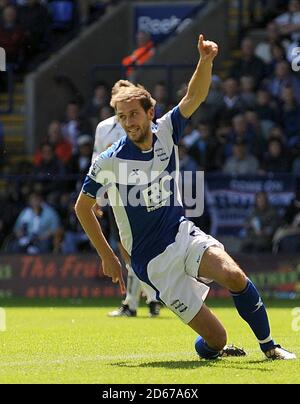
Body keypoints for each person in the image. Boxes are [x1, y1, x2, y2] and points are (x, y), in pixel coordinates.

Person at [75, 34, 296, 360]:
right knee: (216, 340)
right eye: (121, 118)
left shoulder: (166, 130)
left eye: (133, 115)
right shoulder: (109, 160)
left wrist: (205, 61)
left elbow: (195, 95)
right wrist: (108, 256)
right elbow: (82, 207)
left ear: (150, 112)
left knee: (234, 275)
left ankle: (270, 347)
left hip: (181, 234)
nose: (127, 123)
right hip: (152, 262)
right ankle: (215, 348)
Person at [93, 79, 161, 317]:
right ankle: (147, 299)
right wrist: (97, 197)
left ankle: (136, 302)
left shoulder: (144, 124)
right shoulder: (104, 128)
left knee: (139, 247)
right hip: (114, 195)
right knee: (126, 247)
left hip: (141, 191)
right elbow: (96, 161)